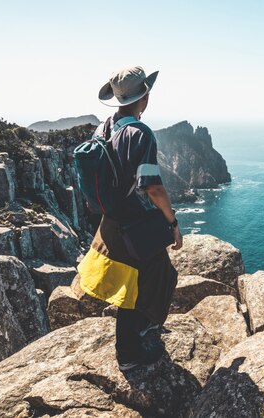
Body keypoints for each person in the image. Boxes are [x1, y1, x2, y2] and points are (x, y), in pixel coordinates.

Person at [74, 65, 183, 371]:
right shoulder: (140, 133)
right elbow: (152, 186)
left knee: (149, 278)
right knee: (144, 283)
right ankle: (130, 355)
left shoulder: (105, 126)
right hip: (134, 224)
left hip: (112, 221)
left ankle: (141, 332)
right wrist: (172, 223)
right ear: (144, 95)